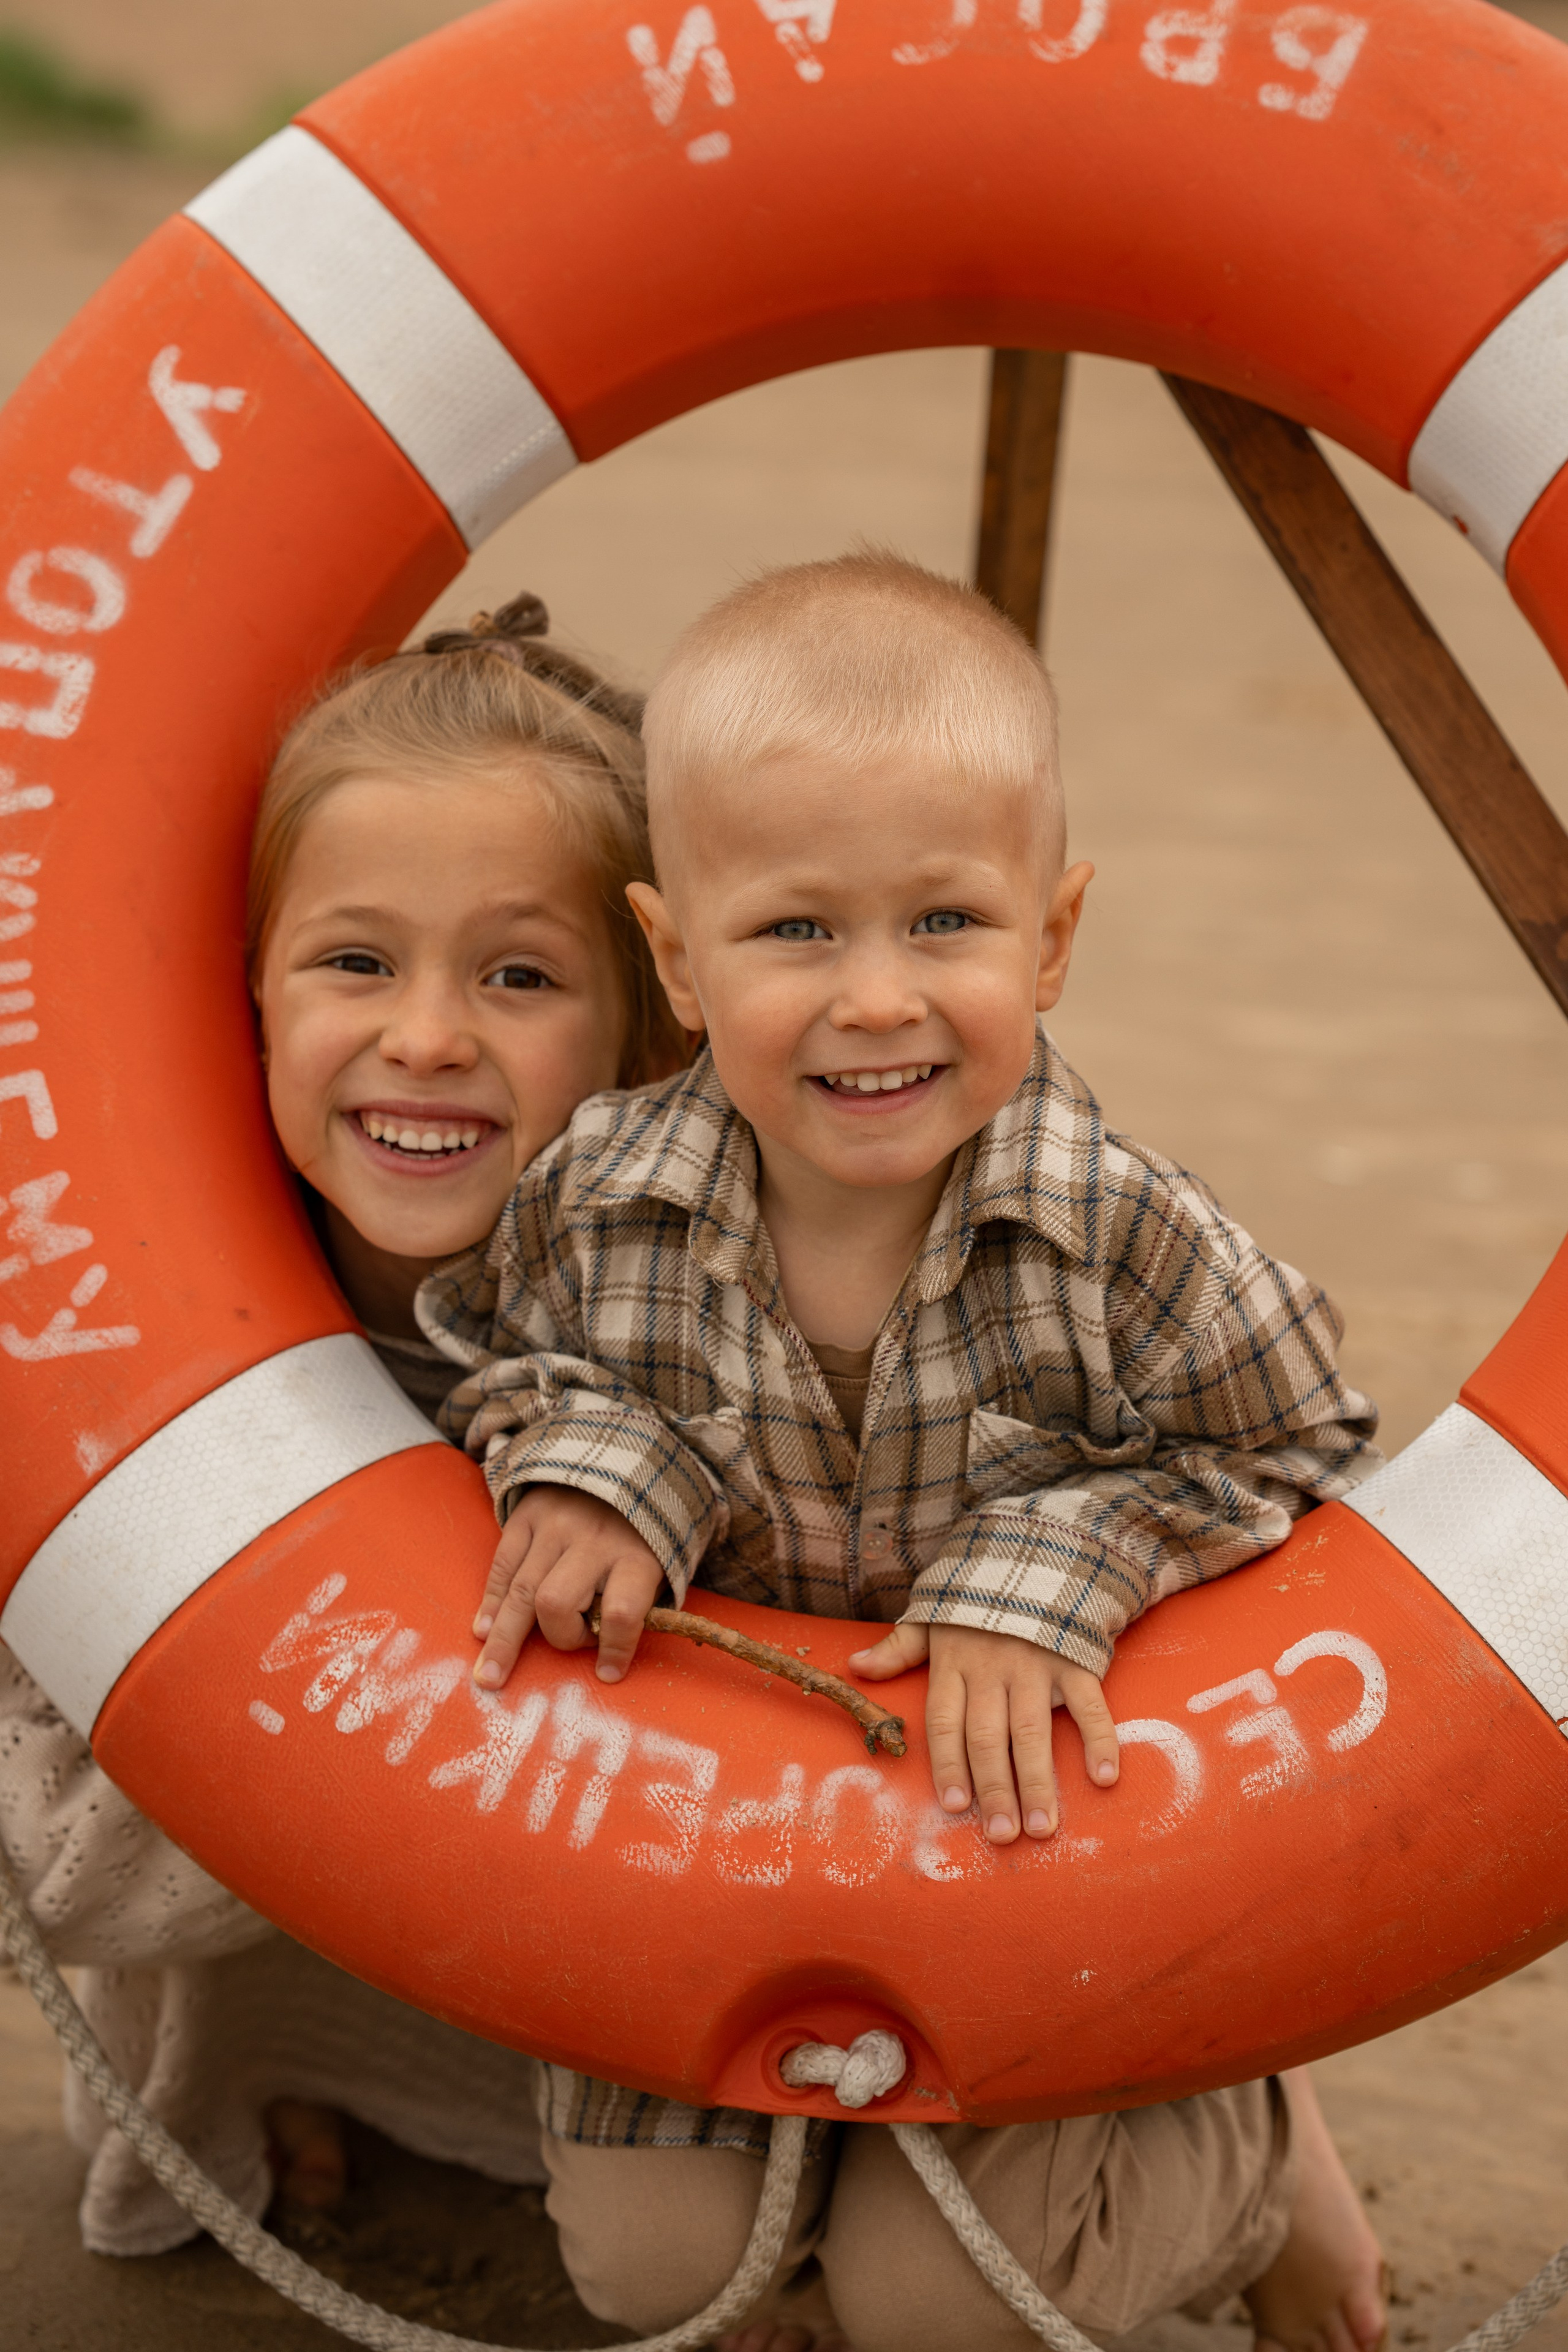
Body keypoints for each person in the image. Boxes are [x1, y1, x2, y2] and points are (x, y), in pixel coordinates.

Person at [418, 555, 1389, 2352]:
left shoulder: (1128, 1240)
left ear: (1055, 934)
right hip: (710, 1854)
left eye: (944, 923)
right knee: (654, 2277)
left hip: (1032, 1847)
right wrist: (594, 1452)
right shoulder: (596, 1199)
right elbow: (489, 1359)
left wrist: (1066, 1563)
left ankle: (1255, 2152)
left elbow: (1314, 1457)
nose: (877, 1000)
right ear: (676, 958)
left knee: (944, 2306)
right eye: (797, 931)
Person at [0, 594, 685, 2254]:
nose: (429, 1036)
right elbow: (61, 1856)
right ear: (240, 995)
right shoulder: (123, 1324)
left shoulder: (700, 1314)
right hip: (241, 1917)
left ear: (643, 1024)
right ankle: (299, 2068)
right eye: (356, 961)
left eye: (519, 974)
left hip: (623, 2008)